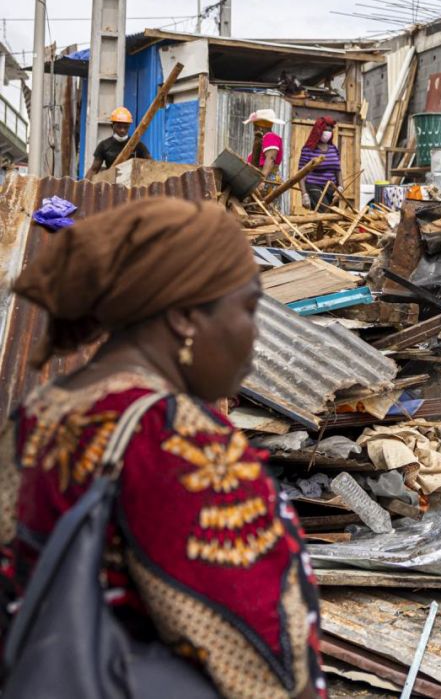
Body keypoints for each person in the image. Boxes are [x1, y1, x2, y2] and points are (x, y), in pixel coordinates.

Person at [1, 198, 325, 699]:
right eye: (248, 309)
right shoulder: (177, 440)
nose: (253, 336)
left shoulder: (40, 413)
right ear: (186, 317)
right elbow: (263, 663)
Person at [86, 106, 151, 178]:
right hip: (112, 184)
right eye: (119, 127)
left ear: (129, 127)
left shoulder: (137, 145)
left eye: (125, 127)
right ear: (112, 126)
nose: (122, 130)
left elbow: (151, 165)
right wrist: (84, 185)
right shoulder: (103, 145)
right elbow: (94, 169)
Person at [298, 116, 341, 211]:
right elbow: (301, 174)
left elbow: (338, 170)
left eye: (330, 130)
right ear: (318, 131)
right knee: (325, 212)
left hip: (331, 189)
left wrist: (340, 187)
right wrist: (304, 194)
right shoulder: (308, 149)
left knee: (334, 215)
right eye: (325, 130)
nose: (328, 133)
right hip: (314, 187)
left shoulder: (333, 149)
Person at [244, 108, 284, 184]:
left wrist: (262, 180)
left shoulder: (270, 137)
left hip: (266, 180)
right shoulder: (264, 139)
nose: (254, 130)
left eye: (254, 127)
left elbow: (270, 158)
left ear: (260, 128)